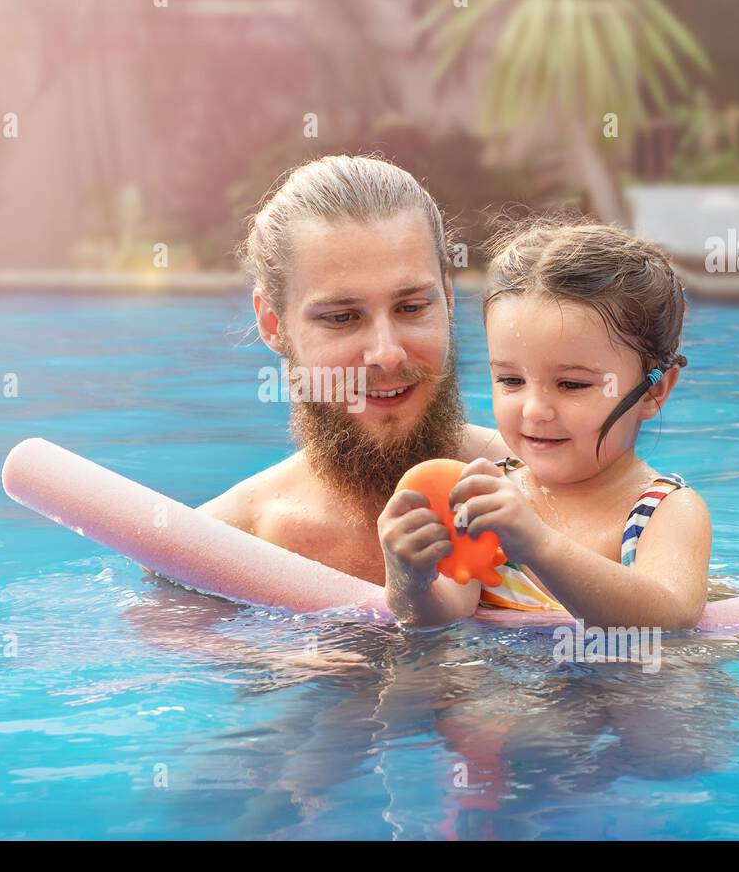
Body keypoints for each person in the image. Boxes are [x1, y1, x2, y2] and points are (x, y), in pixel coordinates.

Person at [377, 220, 712, 630]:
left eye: (572, 384)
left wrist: (539, 545)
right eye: (511, 380)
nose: (535, 410)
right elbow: (446, 613)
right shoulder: (489, 496)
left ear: (653, 392)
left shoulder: (665, 511)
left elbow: (672, 617)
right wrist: (409, 583)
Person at [199, 154, 510, 586]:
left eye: (412, 307)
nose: (387, 354)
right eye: (342, 318)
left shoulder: (555, 495)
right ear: (272, 323)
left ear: (449, 298)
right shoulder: (221, 548)